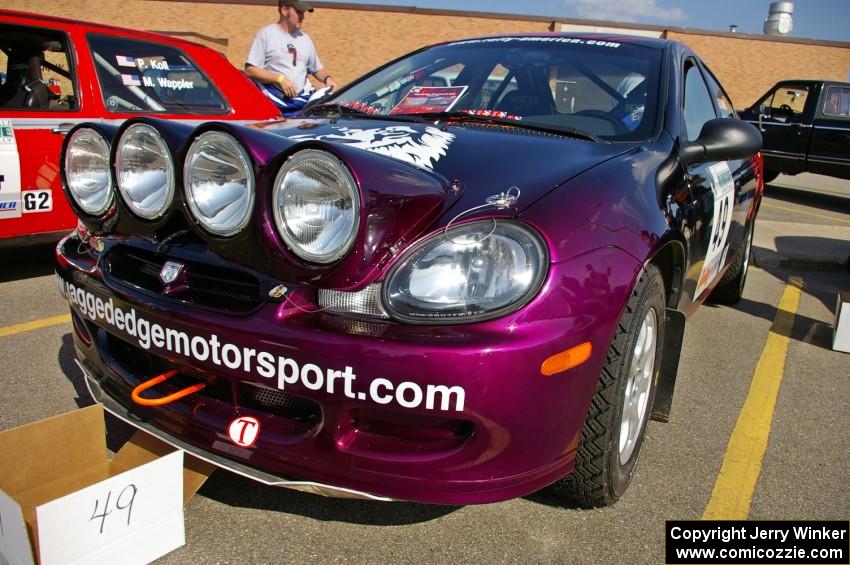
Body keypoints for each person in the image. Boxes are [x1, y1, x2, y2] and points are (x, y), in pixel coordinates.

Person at [245, 0, 336, 116]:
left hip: (301, 106)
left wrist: (327, 79)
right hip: (273, 107)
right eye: (299, 12)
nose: (302, 16)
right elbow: (250, 70)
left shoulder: (305, 39)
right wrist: (280, 79)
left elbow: (317, 69)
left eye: (303, 12)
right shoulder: (266, 34)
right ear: (284, 10)